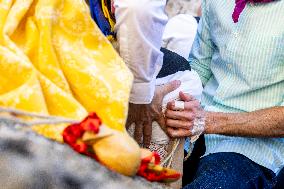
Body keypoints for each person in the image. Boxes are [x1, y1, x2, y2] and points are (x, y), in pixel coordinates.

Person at [165, 0, 284, 188]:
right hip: (195, 133)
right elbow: (199, 67)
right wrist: (175, 104)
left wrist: (207, 121)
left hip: (250, 154)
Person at [89, 0, 201, 147]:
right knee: (188, 84)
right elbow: (138, 7)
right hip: (85, 59)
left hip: (66, 49)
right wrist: (140, 97)